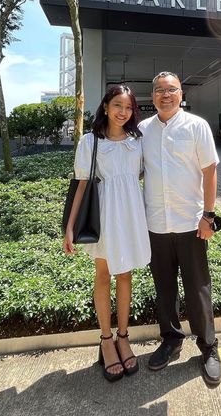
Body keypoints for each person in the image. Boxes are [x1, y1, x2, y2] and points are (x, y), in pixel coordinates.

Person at [139, 71, 221, 386]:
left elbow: (210, 171)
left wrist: (209, 215)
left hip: (191, 223)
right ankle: (171, 340)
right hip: (156, 224)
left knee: (198, 288)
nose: (165, 94)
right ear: (152, 95)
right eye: (159, 90)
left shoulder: (196, 126)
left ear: (181, 93)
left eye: (170, 89)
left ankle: (209, 347)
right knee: (164, 288)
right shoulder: (143, 130)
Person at [63, 84, 150, 383]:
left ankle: (123, 337)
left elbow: (145, 174)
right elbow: (82, 185)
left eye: (128, 108)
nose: (122, 112)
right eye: (117, 105)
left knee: (125, 275)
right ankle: (105, 340)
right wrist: (70, 227)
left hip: (131, 213)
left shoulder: (137, 141)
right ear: (105, 107)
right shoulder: (90, 142)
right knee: (103, 274)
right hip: (105, 215)